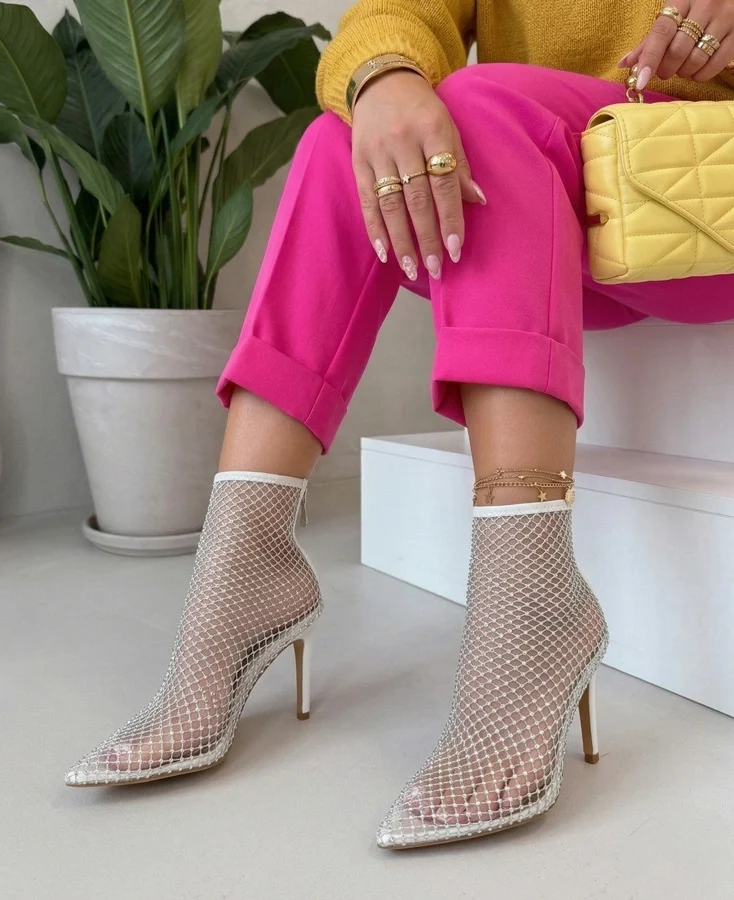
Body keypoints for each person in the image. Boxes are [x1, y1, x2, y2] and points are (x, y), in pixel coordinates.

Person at [65, 0, 734, 849]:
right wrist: (383, 77)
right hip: (554, 196)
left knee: (480, 106)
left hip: (699, 181)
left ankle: (532, 604)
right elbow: (398, 12)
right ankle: (246, 565)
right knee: (334, 142)